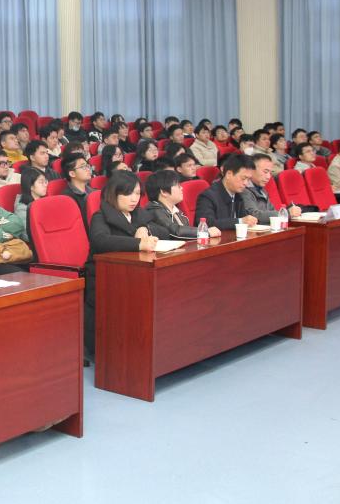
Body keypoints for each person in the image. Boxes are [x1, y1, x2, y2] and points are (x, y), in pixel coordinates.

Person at [84, 171, 158, 361]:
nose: (134, 199)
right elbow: (101, 241)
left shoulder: (138, 214)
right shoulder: (101, 216)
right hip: (105, 279)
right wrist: (138, 243)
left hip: (134, 275)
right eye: (128, 194)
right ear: (114, 194)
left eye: (137, 194)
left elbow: (162, 230)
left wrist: (145, 229)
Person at [143, 170, 221, 240]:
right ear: (164, 192)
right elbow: (175, 231)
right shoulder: (154, 210)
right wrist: (204, 232)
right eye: (178, 186)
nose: (182, 188)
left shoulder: (175, 210)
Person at [195, 155, 259, 230]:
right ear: (229, 174)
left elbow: (244, 218)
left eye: (248, 179)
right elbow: (207, 224)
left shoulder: (239, 195)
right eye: (243, 178)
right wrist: (240, 221)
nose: (246, 183)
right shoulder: (208, 196)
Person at [243, 154, 303, 223]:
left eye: (270, 173)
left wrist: (287, 210)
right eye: (265, 172)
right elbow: (254, 215)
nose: (268, 177)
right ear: (251, 170)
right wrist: (286, 213)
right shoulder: (243, 190)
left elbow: (272, 212)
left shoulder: (262, 190)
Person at [60, 152, 94, 231]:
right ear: (72, 173)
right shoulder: (67, 199)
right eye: (83, 167)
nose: (88, 169)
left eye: (87, 166)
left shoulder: (94, 192)